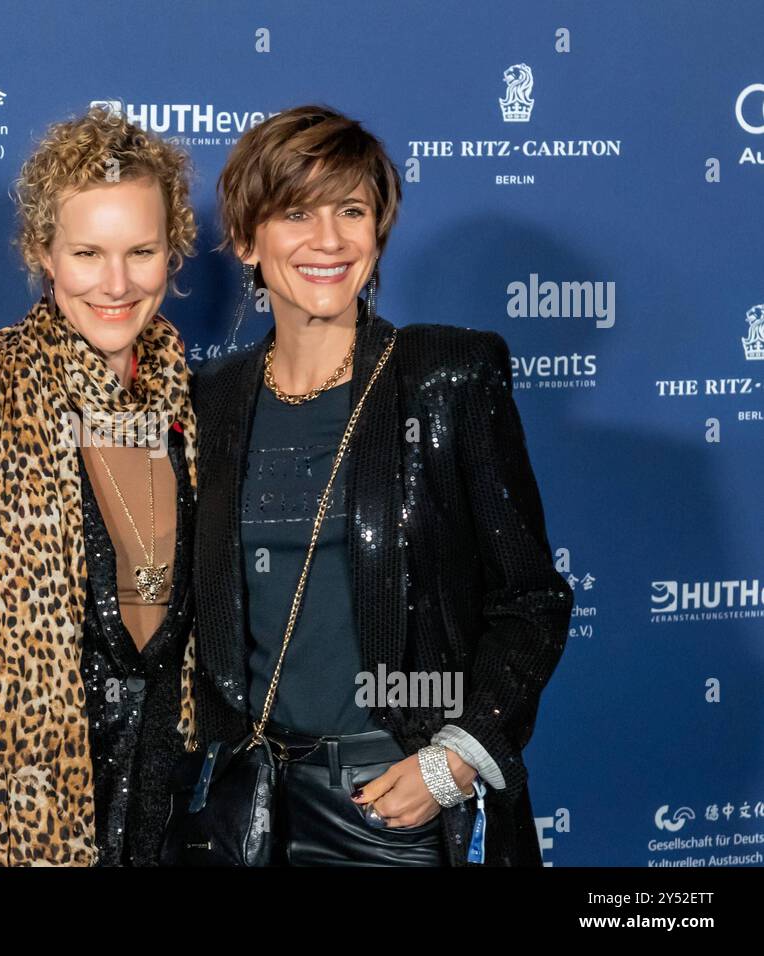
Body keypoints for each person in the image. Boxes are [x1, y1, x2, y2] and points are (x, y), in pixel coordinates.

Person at [189, 104, 573, 866]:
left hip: (388, 807)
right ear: (245, 239)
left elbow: (532, 599)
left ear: (378, 230)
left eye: (352, 211)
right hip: (243, 808)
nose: (328, 241)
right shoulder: (211, 399)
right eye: (296, 212)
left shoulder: (443, 375)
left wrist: (454, 759)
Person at [0, 104, 201, 866]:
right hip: (6, 832)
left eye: (141, 251)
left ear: (172, 253)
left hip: (154, 829)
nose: (116, 283)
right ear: (43, 253)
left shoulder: (189, 414)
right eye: (88, 253)